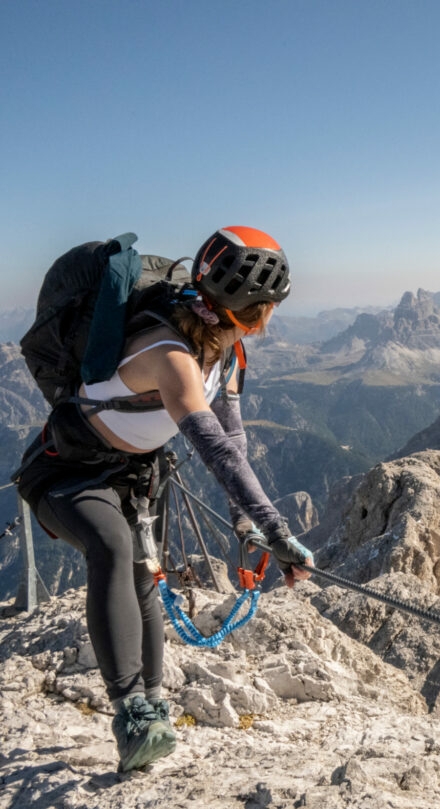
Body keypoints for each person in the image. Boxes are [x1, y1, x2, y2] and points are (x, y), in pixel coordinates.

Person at [15, 225, 313, 772]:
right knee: (112, 547)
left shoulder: (227, 352)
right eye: (262, 312)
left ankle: (155, 709)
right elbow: (216, 451)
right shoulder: (171, 356)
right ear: (247, 310)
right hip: (69, 473)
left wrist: (244, 525)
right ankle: (130, 714)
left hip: (132, 475)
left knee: (144, 578)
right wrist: (277, 530)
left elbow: (236, 437)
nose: (267, 324)